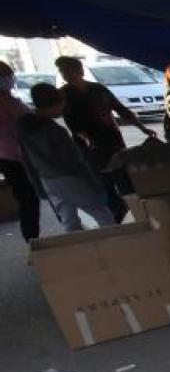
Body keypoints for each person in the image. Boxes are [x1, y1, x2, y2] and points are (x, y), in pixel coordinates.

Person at [55, 55, 157, 221]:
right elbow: (71, 124)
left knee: (126, 180)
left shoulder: (98, 89)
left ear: (80, 70)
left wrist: (143, 128)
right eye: (63, 72)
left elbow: (121, 110)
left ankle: (139, 215)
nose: (66, 74)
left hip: (113, 141)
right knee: (104, 185)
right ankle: (117, 218)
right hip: (89, 148)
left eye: (69, 70)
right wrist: (83, 137)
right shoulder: (64, 95)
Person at [17, 84, 117, 232]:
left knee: (68, 220)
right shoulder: (55, 130)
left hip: (47, 180)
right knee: (102, 214)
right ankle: (117, 245)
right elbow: (75, 161)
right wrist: (96, 185)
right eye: (61, 105)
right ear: (53, 104)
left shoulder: (23, 127)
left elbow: (25, 160)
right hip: (71, 178)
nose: (63, 109)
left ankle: (75, 251)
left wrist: (38, 187)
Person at [0, 61, 41, 241]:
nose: (9, 79)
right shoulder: (7, 101)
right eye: (5, 76)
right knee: (29, 199)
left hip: (6, 156)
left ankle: (32, 240)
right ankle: (33, 241)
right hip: (16, 157)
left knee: (26, 198)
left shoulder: (9, 99)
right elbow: (27, 122)